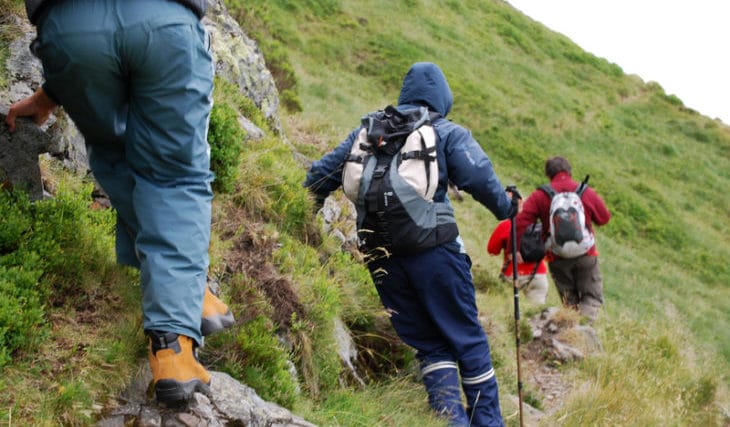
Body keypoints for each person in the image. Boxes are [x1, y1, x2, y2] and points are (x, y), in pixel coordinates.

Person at [5, 0, 234, 406]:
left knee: (116, 155)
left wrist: (51, 92)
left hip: (70, 31)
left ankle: (186, 288)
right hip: (165, 21)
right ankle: (171, 348)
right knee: (175, 176)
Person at [305, 62, 515, 426]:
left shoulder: (370, 131)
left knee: (431, 346)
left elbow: (319, 176)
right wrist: (508, 207)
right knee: (469, 343)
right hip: (436, 254)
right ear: (442, 98)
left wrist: (301, 222)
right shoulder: (446, 131)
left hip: (382, 259)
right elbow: (480, 178)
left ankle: (451, 421)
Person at [515, 156, 610, 322]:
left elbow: (521, 221)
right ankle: (583, 332)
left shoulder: (540, 196)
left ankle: (572, 333)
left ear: (548, 174)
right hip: (585, 254)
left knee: (570, 303)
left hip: (557, 257)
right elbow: (604, 218)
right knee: (592, 297)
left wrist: (513, 248)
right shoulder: (584, 192)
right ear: (569, 171)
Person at [487, 199, 549, 305]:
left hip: (512, 275)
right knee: (536, 314)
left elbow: (492, 250)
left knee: (509, 309)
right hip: (538, 275)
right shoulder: (538, 226)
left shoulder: (506, 225)